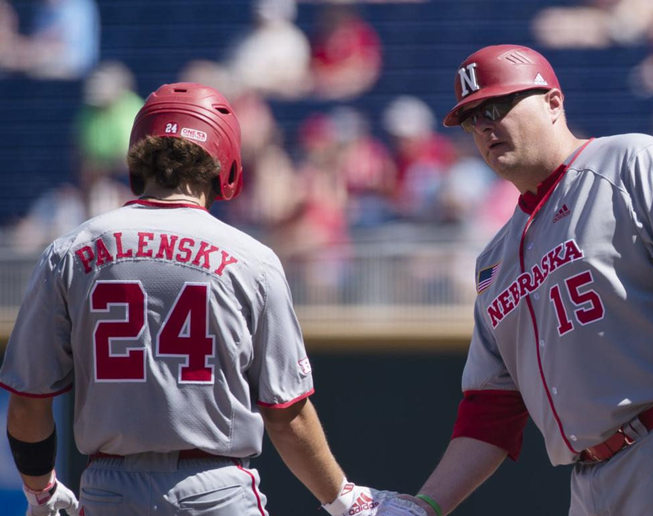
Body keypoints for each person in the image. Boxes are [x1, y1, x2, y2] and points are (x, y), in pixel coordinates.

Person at [0, 82, 425, 516]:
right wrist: (343, 500)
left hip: (107, 490)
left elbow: (28, 403)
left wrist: (42, 491)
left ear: (139, 152)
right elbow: (287, 414)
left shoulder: (70, 251)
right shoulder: (251, 259)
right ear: (225, 162)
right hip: (214, 490)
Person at [391, 44, 653, 516]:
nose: (486, 125)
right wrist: (425, 506)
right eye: (472, 118)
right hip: (590, 479)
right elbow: (491, 410)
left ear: (553, 103)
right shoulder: (495, 259)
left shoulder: (633, 161)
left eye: (497, 106)